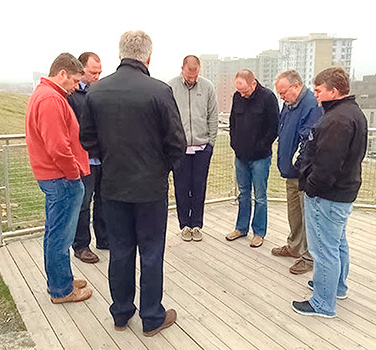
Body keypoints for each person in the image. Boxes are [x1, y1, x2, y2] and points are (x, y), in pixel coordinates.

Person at [80, 30, 186, 336]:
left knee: (121, 251)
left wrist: (110, 159)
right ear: (148, 57)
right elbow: (176, 143)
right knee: (151, 253)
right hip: (151, 189)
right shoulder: (159, 91)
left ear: (120, 54)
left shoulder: (98, 92)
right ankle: (152, 317)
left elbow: (87, 138)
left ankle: (121, 313)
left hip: (113, 187)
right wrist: (161, 168)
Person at [292, 67, 367, 318]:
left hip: (328, 196)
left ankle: (323, 303)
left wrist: (311, 189)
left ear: (333, 91)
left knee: (324, 249)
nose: (316, 95)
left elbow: (328, 164)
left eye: (319, 90)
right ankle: (336, 287)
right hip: (343, 193)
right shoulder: (353, 113)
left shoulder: (337, 120)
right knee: (337, 243)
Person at [25, 52, 93, 304]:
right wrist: (73, 172)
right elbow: (57, 145)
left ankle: (60, 279)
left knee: (56, 233)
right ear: (62, 74)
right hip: (61, 178)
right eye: (74, 80)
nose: (76, 87)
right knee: (60, 235)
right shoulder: (51, 100)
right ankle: (62, 290)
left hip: (55, 177)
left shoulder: (46, 94)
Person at [271, 70, 323, 275]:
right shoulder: (289, 104)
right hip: (290, 171)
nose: (281, 97)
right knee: (294, 211)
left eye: (283, 92)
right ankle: (294, 246)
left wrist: (298, 166)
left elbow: (307, 141)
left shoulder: (311, 105)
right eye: (279, 93)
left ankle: (309, 256)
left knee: (307, 213)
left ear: (296, 86)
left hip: (303, 172)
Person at [226, 69, 279, 248]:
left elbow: (274, 127)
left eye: (245, 90)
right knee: (243, 194)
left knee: (260, 196)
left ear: (253, 83)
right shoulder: (237, 97)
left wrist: (261, 146)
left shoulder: (268, 98)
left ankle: (259, 232)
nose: (242, 94)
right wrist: (234, 143)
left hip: (260, 158)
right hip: (240, 156)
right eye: (239, 90)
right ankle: (241, 228)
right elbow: (233, 122)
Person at [168, 55, 218, 242]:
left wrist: (210, 143)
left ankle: (197, 224)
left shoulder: (207, 87)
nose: (192, 78)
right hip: (179, 149)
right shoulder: (170, 87)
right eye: (189, 74)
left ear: (199, 70)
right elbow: (168, 117)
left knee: (199, 187)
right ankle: (184, 225)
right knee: (181, 188)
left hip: (202, 148)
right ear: (182, 68)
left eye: (195, 74)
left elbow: (212, 116)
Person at [67, 52, 107, 264]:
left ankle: (104, 238)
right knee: (83, 203)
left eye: (100, 72)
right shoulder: (71, 96)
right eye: (93, 72)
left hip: (102, 158)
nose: (97, 76)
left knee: (103, 200)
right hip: (83, 160)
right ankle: (81, 245)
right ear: (81, 70)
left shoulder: (100, 93)